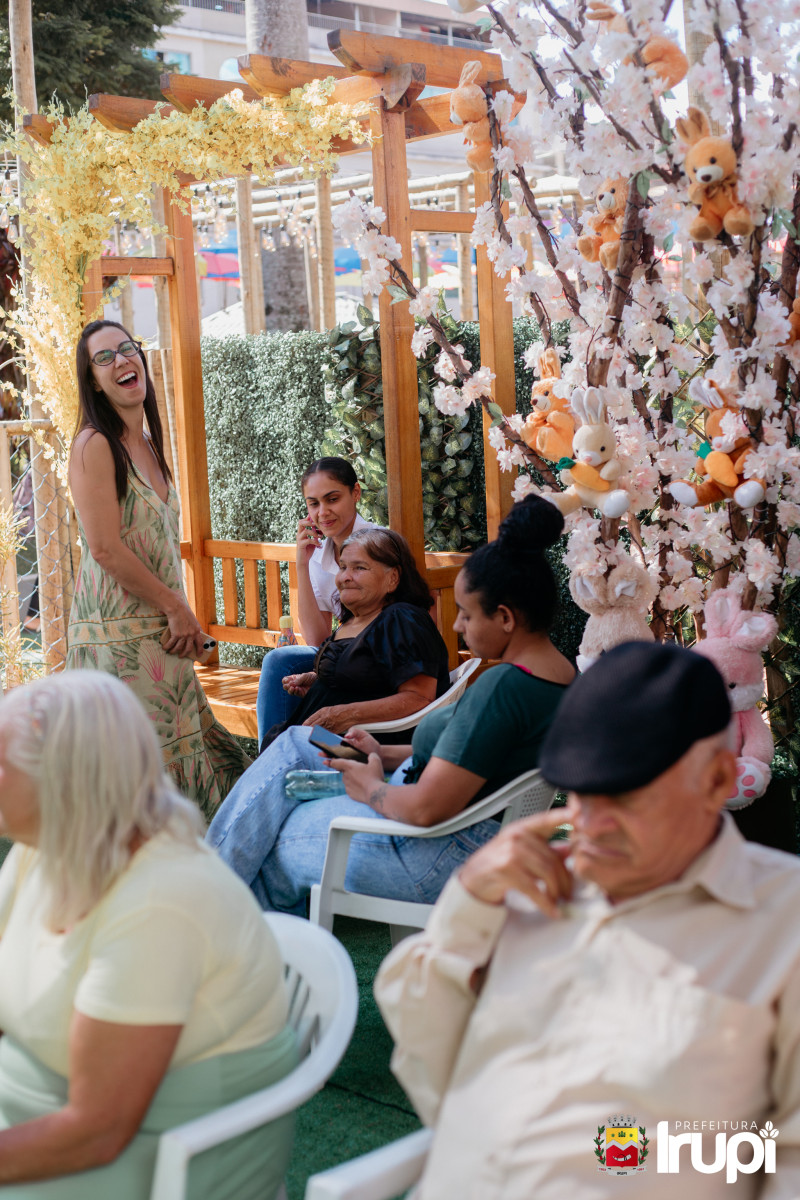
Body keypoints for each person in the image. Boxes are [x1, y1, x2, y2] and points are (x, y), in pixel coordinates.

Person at [375, 641, 800, 1199]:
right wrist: (467, 903)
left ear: (718, 782)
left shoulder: (781, 926)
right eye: (578, 793)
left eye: (625, 798)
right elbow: (428, 1062)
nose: (589, 826)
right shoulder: (526, 887)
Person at [0, 670, 297, 1200]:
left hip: (154, 1169)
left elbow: (98, 1132)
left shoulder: (164, 900)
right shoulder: (40, 850)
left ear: (64, 780)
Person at [207, 495, 574, 913]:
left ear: (506, 618)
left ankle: (209, 913)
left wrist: (372, 788)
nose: (456, 625)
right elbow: (475, 756)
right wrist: (382, 751)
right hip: (465, 839)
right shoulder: (560, 677)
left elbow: (425, 808)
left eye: (467, 616)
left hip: (440, 853)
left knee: (274, 832)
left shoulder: (505, 688)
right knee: (295, 747)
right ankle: (227, 924)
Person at [66, 320, 249, 815]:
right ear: (92, 379)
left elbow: (158, 548)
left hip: (162, 635)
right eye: (105, 357)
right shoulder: (92, 445)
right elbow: (104, 547)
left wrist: (178, 615)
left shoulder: (146, 441)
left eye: (128, 350)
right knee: (136, 781)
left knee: (187, 761)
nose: (123, 361)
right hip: (117, 643)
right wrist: (177, 607)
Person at [259, 526, 450, 750]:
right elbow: (372, 678)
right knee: (279, 745)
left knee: (284, 746)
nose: (346, 577)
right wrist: (321, 680)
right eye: (343, 567)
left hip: (358, 750)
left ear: (393, 578)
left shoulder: (402, 619)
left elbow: (419, 698)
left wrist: (342, 714)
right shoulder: (355, 620)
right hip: (321, 741)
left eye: (359, 568)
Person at [256, 456, 373, 746]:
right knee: (281, 663)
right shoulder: (318, 556)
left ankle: (281, 755)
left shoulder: (378, 546)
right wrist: (301, 564)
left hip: (371, 658)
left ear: (355, 493)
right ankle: (274, 753)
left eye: (332, 499)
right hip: (339, 655)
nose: (323, 512)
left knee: (287, 666)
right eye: (314, 503)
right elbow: (318, 639)